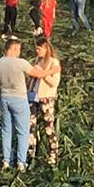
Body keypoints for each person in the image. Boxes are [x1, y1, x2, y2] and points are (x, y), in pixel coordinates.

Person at [0, 37, 53, 172]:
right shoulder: (20, 63)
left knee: (6, 130)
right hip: (19, 98)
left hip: (4, 97)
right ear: (13, 48)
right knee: (22, 131)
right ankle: (21, 162)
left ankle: (6, 160)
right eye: (18, 49)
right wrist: (52, 70)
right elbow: (37, 73)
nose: (19, 52)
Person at [27, 37, 63, 166]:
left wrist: (43, 74)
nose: (37, 51)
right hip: (33, 96)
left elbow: (54, 83)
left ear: (46, 48)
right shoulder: (38, 60)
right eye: (36, 48)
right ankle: (30, 154)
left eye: (39, 48)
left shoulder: (54, 63)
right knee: (30, 126)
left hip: (46, 98)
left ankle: (53, 154)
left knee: (49, 126)